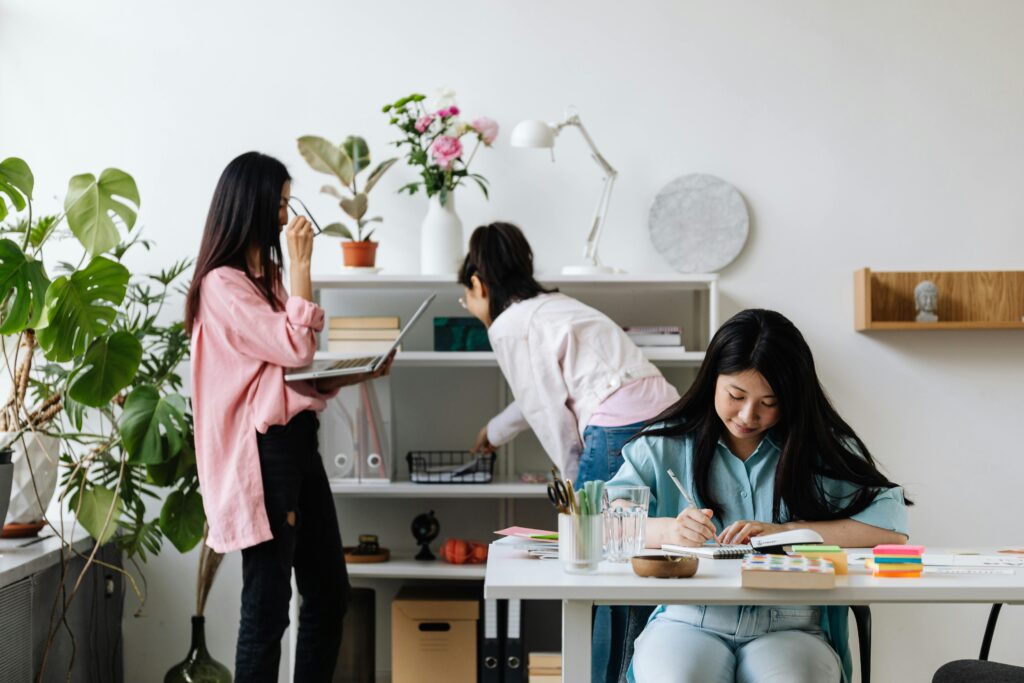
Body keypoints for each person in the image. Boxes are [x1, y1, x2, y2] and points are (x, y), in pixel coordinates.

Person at [607, 309, 911, 683]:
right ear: (712, 379)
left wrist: (789, 534)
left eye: (769, 402)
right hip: (689, 621)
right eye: (736, 395)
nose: (748, 415)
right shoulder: (665, 443)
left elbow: (891, 528)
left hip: (792, 626)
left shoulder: (821, 449)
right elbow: (612, 519)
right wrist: (669, 531)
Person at [184, 151, 392, 682]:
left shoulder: (267, 277)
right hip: (265, 455)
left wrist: (355, 372)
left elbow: (284, 372)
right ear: (250, 205)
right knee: (268, 607)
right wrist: (303, 267)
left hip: (298, 444)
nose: (286, 217)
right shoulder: (222, 285)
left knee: (329, 593)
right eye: (279, 204)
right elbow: (295, 348)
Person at [458, 221, 680, 682]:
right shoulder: (555, 307)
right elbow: (541, 394)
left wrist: (573, 484)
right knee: (645, 558)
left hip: (617, 430)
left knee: (595, 572)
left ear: (479, 284)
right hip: (668, 418)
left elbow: (548, 411)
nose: (467, 305)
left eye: (467, 295)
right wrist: (494, 431)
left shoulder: (509, 325)